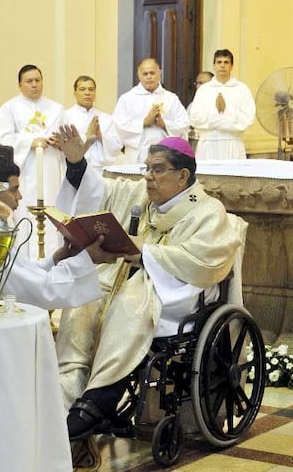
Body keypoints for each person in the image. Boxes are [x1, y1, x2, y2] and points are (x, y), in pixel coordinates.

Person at [52, 125, 245, 468]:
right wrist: (77, 162)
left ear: (183, 175)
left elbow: (207, 260)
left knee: (134, 299)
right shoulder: (145, 199)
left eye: (158, 169)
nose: (148, 177)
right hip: (129, 278)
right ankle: (68, 389)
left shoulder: (209, 211)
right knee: (86, 294)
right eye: (147, 168)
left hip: (178, 294)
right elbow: (104, 192)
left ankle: (102, 396)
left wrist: (147, 253)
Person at [0, 154, 122, 310]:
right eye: (14, 190)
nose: (19, 197)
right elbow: (40, 291)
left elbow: (23, 275)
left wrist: (55, 260)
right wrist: (86, 258)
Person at [0, 64, 65, 259]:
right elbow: (2, 140)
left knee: (52, 209)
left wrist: (60, 142)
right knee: (26, 213)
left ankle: (53, 257)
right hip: (24, 172)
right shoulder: (9, 108)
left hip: (50, 170)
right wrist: (29, 142)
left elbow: (66, 136)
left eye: (38, 80)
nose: (35, 85)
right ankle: (25, 259)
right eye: (29, 81)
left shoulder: (56, 108)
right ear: (20, 85)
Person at [112, 58, 189, 163]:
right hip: (137, 154)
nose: (149, 77)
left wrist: (164, 124)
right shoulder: (127, 98)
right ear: (138, 75)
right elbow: (119, 126)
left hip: (166, 154)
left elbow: (184, 124)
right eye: (145, 74)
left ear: (159, 72)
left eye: (152, 73)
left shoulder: (171, 98)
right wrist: (144, 122)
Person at [188, 49, 255, 160]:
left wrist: (225, 111)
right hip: (208, 143)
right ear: (214, 66)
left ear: (231, 66)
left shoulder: (242, 89)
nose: (222, 66)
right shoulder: (204, 90)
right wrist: (216, 112)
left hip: (232, 142)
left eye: (226, 62)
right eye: (219, 62)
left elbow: (248, 118)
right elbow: (195, 117)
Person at [62, 75, 123, 173]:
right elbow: (63, 145)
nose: (87, 93)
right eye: (82, 89)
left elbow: (117, 146)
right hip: (75, 169)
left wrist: (100, 137)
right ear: (75, 93)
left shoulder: (106, 118)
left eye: (91, 89)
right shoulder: (65, 116)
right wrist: (87, 135)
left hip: (100, 170)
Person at [187, 71, 214, 151]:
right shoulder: (192, 105)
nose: (198, 86)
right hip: (196, 145)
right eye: (196, 83)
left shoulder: (218, 102)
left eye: (201, 83)